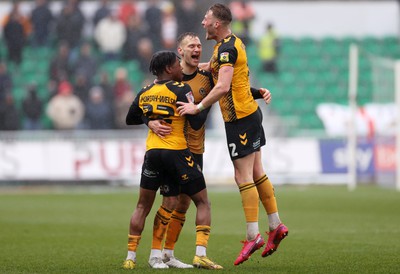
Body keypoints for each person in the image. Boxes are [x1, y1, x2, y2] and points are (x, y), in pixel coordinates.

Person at [147, 31, 272, 269]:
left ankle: (168, 254)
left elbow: (230, 86)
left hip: (195, 148)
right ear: (180, 51)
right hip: (170, 148)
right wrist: (149, 121)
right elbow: (144, 102)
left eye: (198, 45)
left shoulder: (207, 76)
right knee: (170, 202)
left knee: (184, 203)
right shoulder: (167, 79)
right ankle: (154, 253)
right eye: (191, 46)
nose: (196, 49)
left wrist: (257, 93)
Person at [177, 3, 288, 266]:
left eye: (206, 19)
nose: (203, 23)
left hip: (239, 120)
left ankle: (253, 235)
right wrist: (258, 91)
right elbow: (231, 77)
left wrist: (198, 106)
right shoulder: (230, 44)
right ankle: (276, 224)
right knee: (258, 172)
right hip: (249, 113)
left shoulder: (226, 49)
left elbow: (224, 85)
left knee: (242, 176)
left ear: (217, 23)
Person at [122, 50, 222, 270]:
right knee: (203, 202)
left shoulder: (145, 90)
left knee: (149, 205)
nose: (180, 68)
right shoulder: (181, 89)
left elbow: (130, 118)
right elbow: (195, 123)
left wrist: (149, 122)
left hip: (152, 153)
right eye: (177, 64)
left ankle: (134, 257)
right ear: (169, 68)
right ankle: (200, 254)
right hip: (176, 152)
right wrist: (210, 100)